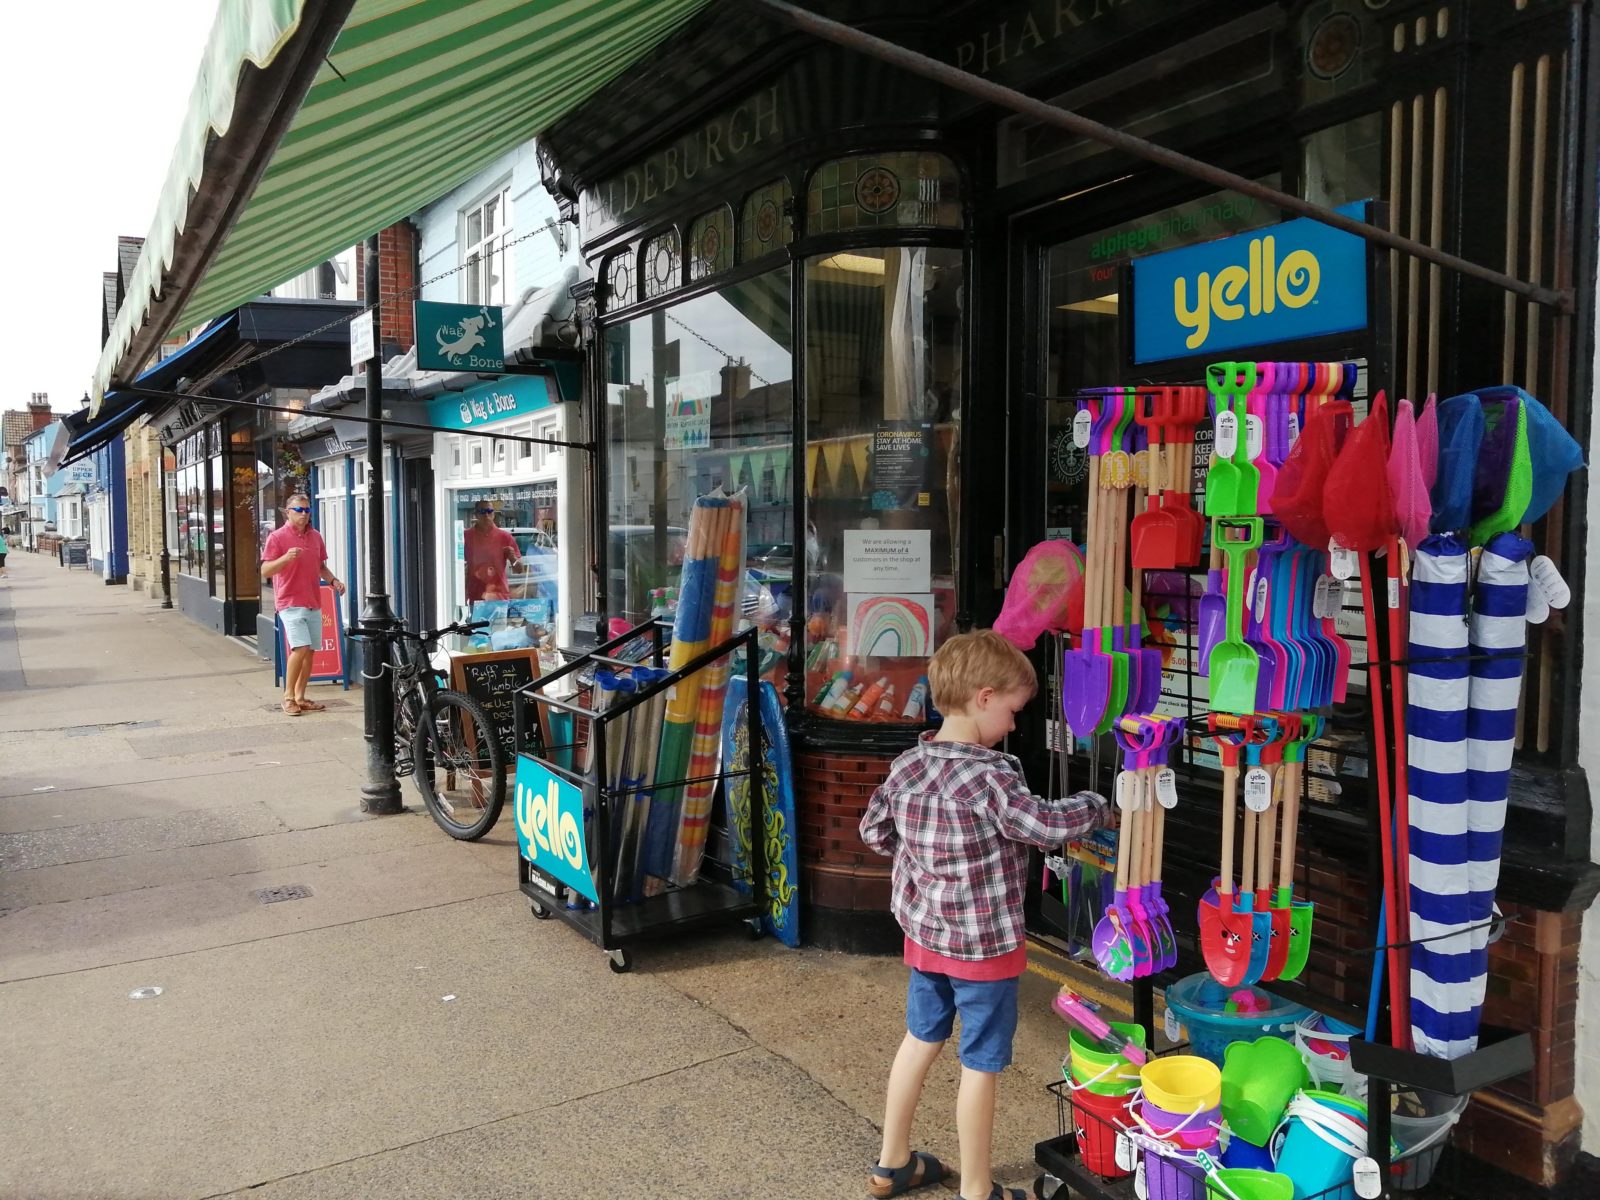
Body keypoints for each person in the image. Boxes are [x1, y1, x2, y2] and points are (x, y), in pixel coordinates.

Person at [859, 630, 1113, 1200]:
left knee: (919, 1039)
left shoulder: (907, 764)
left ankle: (892, 1162)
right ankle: (977, 1190)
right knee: (981, 1062)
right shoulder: (992, 776)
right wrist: (1099, 805)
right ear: (984, 696)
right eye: (1014, 711)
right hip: (985, 950)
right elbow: (1045, 825)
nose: (1015, 725)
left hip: (925, 937)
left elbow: (874, 831)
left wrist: (922, 855)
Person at [261, 494, 345, 716]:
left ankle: (300, 697)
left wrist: (334, 581)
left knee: (310, 652)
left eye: (307, 510)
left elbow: (320, 566)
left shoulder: (315, 536)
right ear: (287, 511)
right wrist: (286, 558)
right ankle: (288, 697)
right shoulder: (277, 538)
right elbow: (265, 570)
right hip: (289, 601)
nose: (304, 514)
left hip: (312, 601)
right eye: (299, 510)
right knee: (300, 648)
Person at [463, 500, 519, 603]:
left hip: (499, 597)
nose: (486, 515)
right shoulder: (466, 536)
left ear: (494, 514)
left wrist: (513, 558)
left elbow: (520, 569)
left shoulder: (505, 537)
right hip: (473, 597)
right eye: (482, 511)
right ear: (476, 514)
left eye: (489, 511)